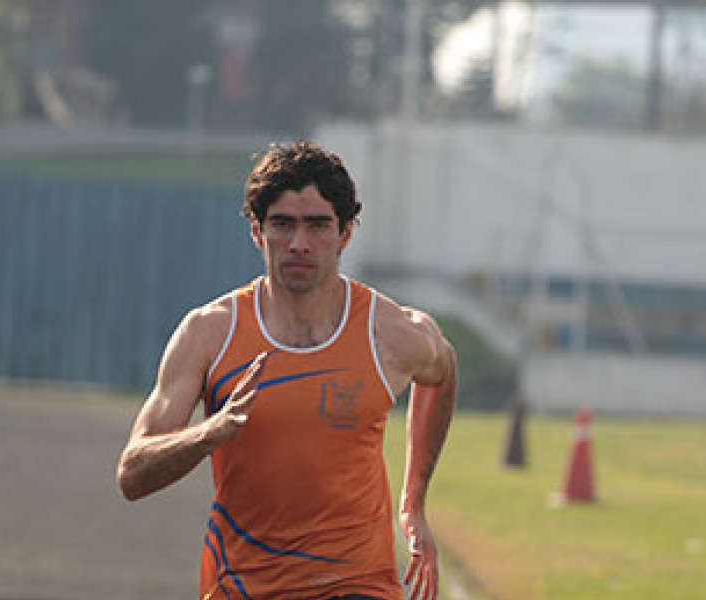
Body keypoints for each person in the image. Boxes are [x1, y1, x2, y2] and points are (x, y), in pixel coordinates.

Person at [116, 141, 457, 600]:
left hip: (357, 583)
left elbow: (443, 370)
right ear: (257, 232)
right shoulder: (211, 333)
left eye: (317, 225)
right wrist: (211, 432)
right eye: (282, 224)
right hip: (242, 584)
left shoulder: (389, 333)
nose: (299, 243)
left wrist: (413, 503)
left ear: (345, 234)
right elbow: (133, 473)